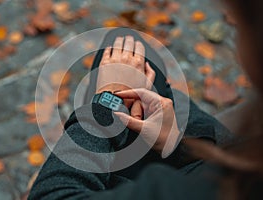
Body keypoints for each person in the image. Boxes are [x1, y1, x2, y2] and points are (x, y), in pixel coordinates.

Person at [28, 0, 263, 199]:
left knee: (124, 50)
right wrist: (175, 145)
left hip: (148, 178)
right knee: (135, 54)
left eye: (240, 28)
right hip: (187, 157)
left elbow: (51, 194)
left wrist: (107, 97)